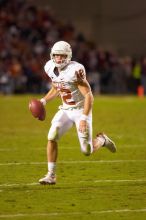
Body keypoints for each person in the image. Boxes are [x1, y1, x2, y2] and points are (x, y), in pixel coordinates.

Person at [39, 41, 117, 185]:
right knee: (52, 136)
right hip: (66, 109)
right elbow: (57, 87)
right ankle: (51, 175)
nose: (58, 59)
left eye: (62, 56)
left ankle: (102, 140)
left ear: (68, 56)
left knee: (86, 150)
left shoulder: (75, 70)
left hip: (81, 110)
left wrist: (84, 118)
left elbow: (88, 95)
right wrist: (43, 101)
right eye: (56, 55)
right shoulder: (49, 67)